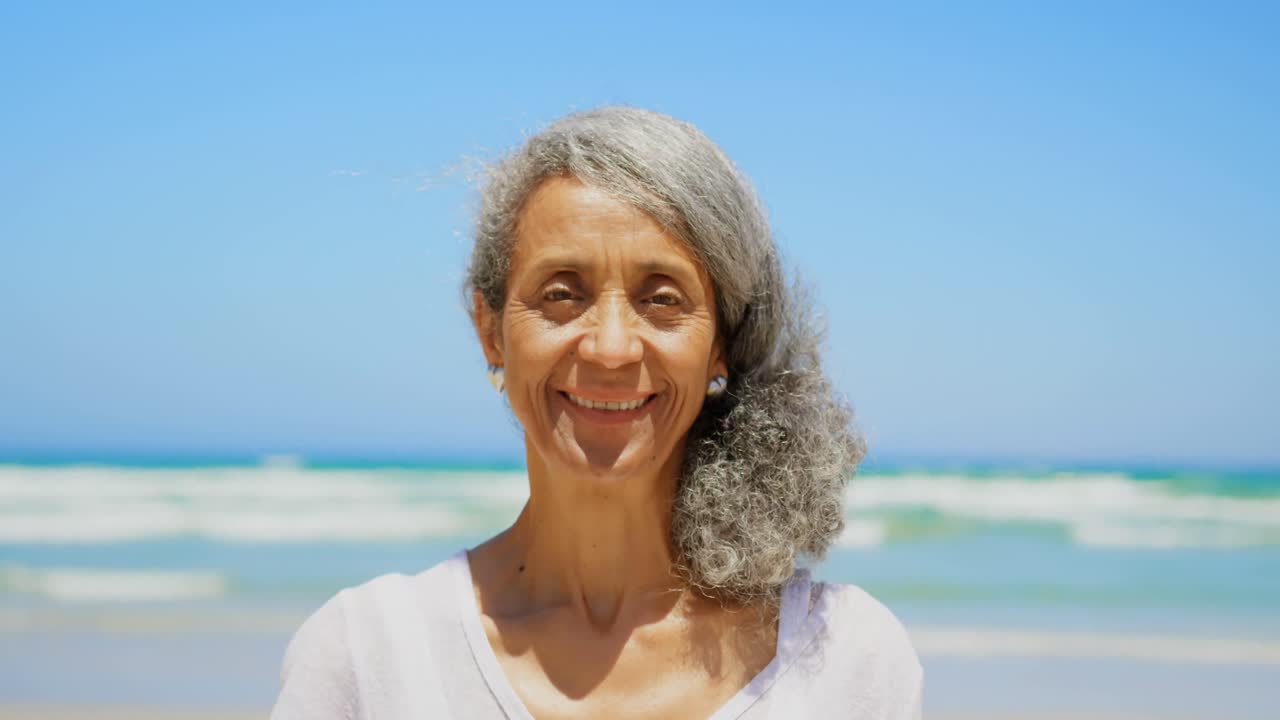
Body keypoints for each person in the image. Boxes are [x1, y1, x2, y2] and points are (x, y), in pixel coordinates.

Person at [270, 106, 922, 719]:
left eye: (661, 298)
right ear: (490, 331)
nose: (610, 348)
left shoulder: (846, 661)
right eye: (562, 294)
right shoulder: (369, 658)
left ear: (721, 343)